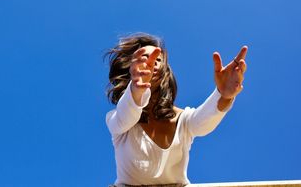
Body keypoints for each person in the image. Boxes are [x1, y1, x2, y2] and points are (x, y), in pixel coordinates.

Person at [105, 33, 248, 187]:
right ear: (131, 69)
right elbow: (126, 115)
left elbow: (202, 123)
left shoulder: (182, 119)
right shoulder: (117, 118)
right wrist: (136, 88)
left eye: (157, 59)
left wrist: (223, 95)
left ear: (165, 72)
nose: (151, 63)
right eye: (143, 59)